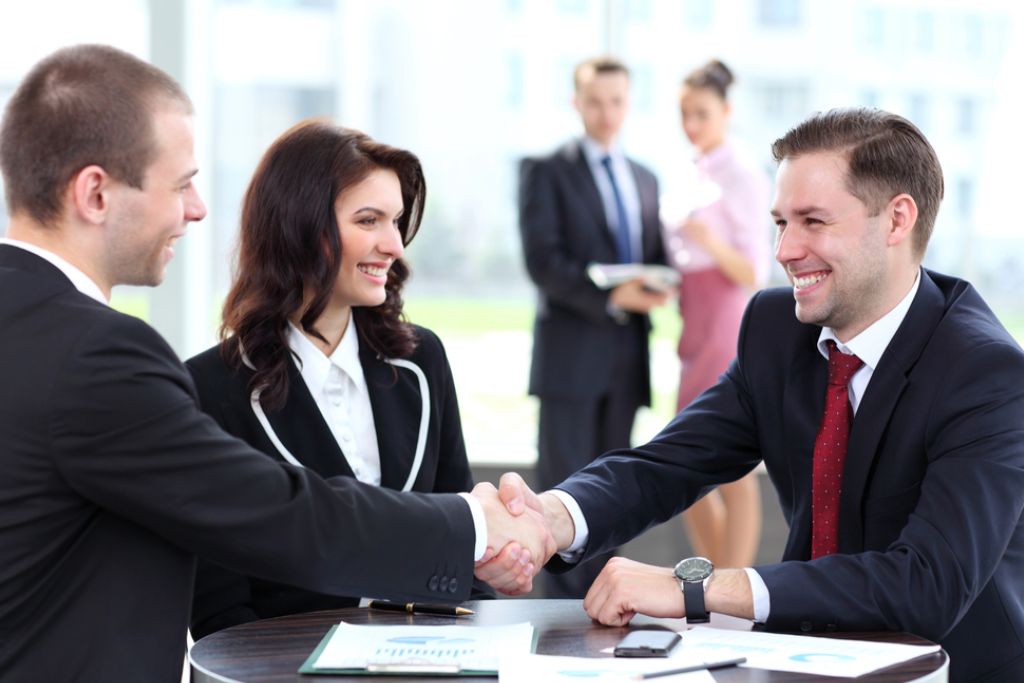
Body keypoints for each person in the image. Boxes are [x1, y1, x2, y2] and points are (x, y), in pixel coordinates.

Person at [0, 44, 548, 682]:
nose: (198, 208)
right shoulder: (102, 354)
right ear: (95, 193)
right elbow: (278, 514)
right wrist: (473, 525)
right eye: (180, 184)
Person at [493, 108, 1024, 682]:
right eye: (780, 223)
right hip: (801, 656)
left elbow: (928, 583)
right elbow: (666, 464)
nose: (784, 251)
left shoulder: (986, 373)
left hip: (949, 666)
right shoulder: (777, 329)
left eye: (813, 222)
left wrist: (693, 589)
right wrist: (551, 519)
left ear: (897, 220)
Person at [186, 120, 492, 639]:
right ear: (298, 224)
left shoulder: (424, 361)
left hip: (428, 659)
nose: (393, 244)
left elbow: (461, 542)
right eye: (369, 220)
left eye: (395, 221)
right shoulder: (211, 386)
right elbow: (218, 611)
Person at [517, 55, 668, 598]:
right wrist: (609, 297)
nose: (607, 112)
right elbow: (543, 263)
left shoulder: (646, 178)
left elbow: (653, 255)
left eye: (617, 101)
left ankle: (606, 604)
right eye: (595, 100)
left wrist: (657, 286)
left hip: (628, 357)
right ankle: (557, 619)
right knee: (561, 496)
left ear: (628, 103)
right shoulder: (546, 169)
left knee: (615, 494)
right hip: (570, 358)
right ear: (576, 102)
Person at [668, 60, 770, 568]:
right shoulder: (690, 169)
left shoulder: (742, 173)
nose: (691, 125)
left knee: (731, 462)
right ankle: (715, 585)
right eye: (684, 114)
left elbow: (754, 269)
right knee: (683, 464)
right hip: (693, 316)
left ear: (726, 112)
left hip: (726, 320)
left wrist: (706, 239)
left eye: (701, 114)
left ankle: (733, 590)